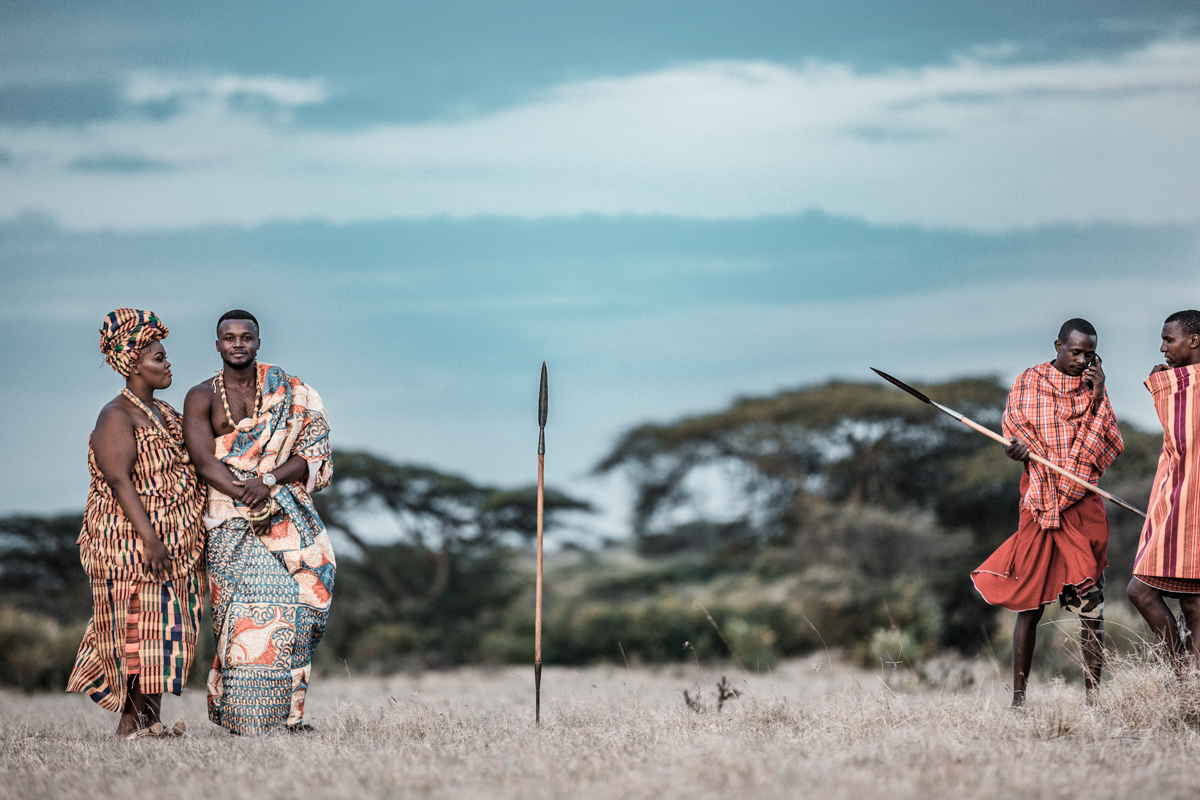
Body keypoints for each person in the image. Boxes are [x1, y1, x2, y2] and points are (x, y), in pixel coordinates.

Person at [183, 309, 335, 735]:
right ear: (217, 345)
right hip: (228, 521)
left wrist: (266, 482)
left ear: (258, 342)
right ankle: (246, 721)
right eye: (228, 337)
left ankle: (288, 717)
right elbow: (202, 460)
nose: (237, 344)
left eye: (245, 337)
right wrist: (243, 494)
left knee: (301, 610)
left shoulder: (290, 390)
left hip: (283, 512)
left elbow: (312, 450)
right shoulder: (200, 396)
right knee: (244, 616)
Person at [67, 309, 207, 739]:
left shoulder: (162, 411)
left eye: (165, 357)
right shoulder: (116, 416)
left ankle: (149, 722)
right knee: (136, 636)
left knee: (162, 635)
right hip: (130, 547)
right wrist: (150, 539)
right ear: (132, 362)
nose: (167, 364)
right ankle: (131, 726)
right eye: (158, 358)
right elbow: (118, 479)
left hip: (169, 548)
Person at [972, 318, 1124, 706]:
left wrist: (1099, 392)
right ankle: (1018, 701)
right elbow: (1013, 435)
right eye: (1075, 352)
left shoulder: (1094, 390)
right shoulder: (1028, 382)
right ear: (1057, 346)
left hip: (1081, 507)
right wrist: (1014, 449)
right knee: (1030, 607)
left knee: (1091, 609)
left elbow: (1102, 441)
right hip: (1039, 505)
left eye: (1089, 354)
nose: (1081, 360)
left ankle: (1094, 701)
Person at [1127, 310, 1200, 667]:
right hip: (1178, 501)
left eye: (1169, 340)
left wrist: (1167, 385)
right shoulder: (1180, 384)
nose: (1162, 348)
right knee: (1145, 593)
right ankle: (1184, 675)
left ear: (1194, 341)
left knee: (1188, 601)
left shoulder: (1188, 385)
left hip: (1191, 503)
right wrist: (1167, 385)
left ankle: (1188, 683)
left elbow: (1185, 440)